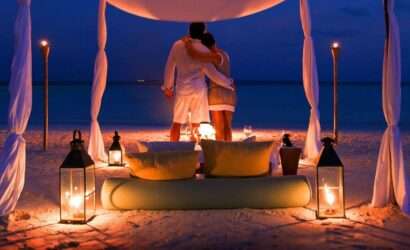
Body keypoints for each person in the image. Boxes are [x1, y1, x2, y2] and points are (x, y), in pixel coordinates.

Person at [162, 23, 234, 142]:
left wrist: (167, 87)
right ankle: (195, 149)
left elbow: (170, 66)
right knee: (196, 123)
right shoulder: (203, 48)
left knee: (176, 122)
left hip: (182, 88)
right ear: (202, 32)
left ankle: (172, 148)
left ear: (189, 31)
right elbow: (212, 73)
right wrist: (228, 82)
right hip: (198, 89)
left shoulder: (177, 45)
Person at [183, 32, 236, 141]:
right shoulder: (225, 54)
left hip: (216, 94)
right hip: (230, 95)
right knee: (228, 128)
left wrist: (188, 44)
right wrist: (230, 83)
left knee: (219, 129)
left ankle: (220, 155)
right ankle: (228, 154)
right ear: (214, 42)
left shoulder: (212, 57)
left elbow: (195, 55)